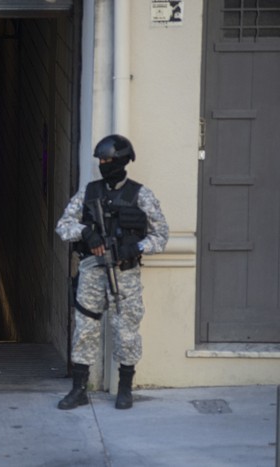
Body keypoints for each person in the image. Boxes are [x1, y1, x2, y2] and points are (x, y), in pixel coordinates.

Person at [55, 134, 169, 410]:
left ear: (122, 161)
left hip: (125, 274)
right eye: (101, 160)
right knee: (85, 330)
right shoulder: (89, 193)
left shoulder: (140, 195)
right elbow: (63, 226)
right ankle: (79, 389)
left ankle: (125, 388)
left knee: (126, 331)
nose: (103, 164)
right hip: (93, 272)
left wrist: (135, 247)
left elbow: (161, 236)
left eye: (108, 160)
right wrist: (86, 233)